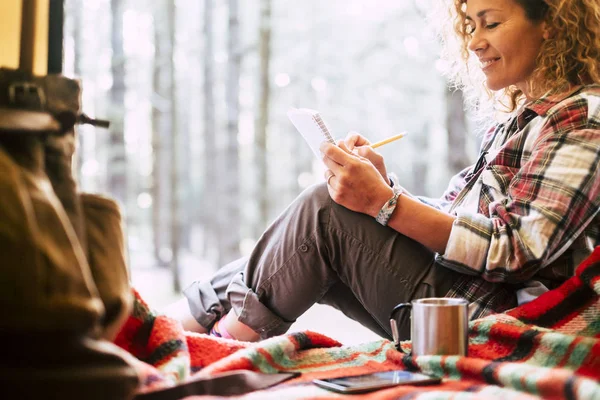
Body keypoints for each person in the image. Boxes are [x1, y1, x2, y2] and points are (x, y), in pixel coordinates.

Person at [163, 0, 600, 342]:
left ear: (552, 23)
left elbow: (517, 249)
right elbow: (465, 225)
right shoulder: (523, 119)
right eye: (470, 25)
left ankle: (219, 339)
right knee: (319, 221)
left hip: (491, 316)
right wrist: (384, 188)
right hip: (463, 294)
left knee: (325, 213)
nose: (473, 42)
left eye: (491, 22)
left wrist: (384, 203)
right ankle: (174, 327)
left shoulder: (583, 119)